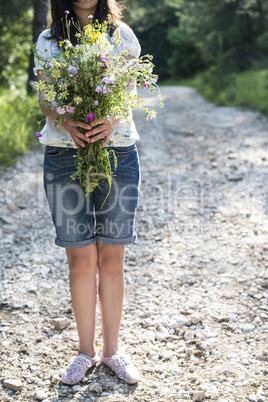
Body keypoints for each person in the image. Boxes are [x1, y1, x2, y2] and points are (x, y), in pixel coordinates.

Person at [34, 0, 141, 385]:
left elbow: (128, 92)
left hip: (119, 156)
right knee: (80, 261)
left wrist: (109, 118)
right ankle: (85, 352)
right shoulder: (48, 41)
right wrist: (65, 119)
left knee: (112, 258)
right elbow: (45, 98)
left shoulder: (122, 36)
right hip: (64, 158)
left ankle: (113, 352)